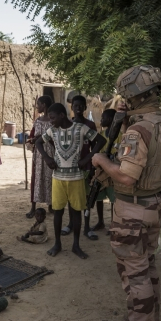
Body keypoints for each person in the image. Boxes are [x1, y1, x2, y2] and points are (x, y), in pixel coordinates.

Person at [92, 65, 161, 321]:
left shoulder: (138, 131)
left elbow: (128, 177)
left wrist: (102, 161)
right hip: (155, 204)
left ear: (135, 95)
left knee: (135, 271)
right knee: (147, 265)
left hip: (133, 208)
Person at [35, 103, 105, 259]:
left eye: (52, 118)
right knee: (58, 212)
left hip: (76, 178)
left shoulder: (80, 128)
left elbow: (101, 141)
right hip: (58, 178)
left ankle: (76, 245)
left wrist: (88, 157)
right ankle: (58, 244)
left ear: (61, 115)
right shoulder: (52, 131)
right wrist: (47, 158)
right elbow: (38, 142)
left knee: (76, 212)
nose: (50, 121)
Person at [61, 95, 98, 238]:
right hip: (71, 168)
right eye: (75, 106)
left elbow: (95, 146)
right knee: (72, 198)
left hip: (87, 167)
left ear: (85, 107)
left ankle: (87, 227)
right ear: (71, 107)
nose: (77, 108)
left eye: (80, 106)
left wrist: (93, 165)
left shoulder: (90, 125)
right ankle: (71, 224)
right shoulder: (68, 124)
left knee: (87, 198)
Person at [85, 109, 121, 238]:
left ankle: (113, 224)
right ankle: (101, 221)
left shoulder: (120, 135)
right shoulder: (102, 134)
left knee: (113, 199)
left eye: (104, 118)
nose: (101, 120)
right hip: (101, 170)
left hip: (112, 170)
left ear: (111, 120)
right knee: (98, 197)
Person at [25, 96, 55, 218]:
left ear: (44, 105)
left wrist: (43, 138)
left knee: (51, 179)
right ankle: (33, 207)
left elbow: (55, 137)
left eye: (39, 104)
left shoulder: (53, 121)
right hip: (38, 155)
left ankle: (51, 205)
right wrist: (32, 140)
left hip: (50, 154)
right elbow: (31, 137)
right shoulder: (37, 121)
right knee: (36, 179)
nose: (37, 107)